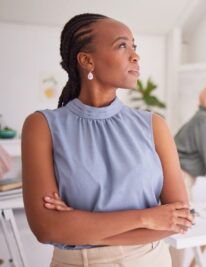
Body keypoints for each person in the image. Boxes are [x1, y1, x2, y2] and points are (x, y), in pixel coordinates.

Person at [21, 13, 193, 267]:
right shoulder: (42, 126)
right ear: (87, 60)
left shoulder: (154, 126)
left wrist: (77, 224)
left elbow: (179, 219)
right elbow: (47, 229)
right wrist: (147, 217)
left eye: (134, 46)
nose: (135, 56)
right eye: (122, 45)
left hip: (149, 260)